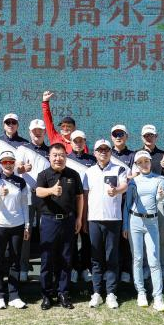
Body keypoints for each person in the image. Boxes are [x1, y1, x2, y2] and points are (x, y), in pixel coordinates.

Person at [35, 143, 84, 310]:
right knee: (47, 259)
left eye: (62, 155)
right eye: (55, 155)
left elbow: (79, 197)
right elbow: (38, 191)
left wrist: (79, 218)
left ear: (66, 157)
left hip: (68, 221)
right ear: (49, 156)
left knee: (66, 258)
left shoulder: (73, 174)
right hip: (49, 221)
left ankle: (63, 293)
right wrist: (51, 191)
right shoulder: (43, 174)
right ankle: (47, 295)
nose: (58, 158)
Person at [83, 139, 129, 309]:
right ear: (95, 153)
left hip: (113, 219)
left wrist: (117, 190)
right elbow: (85, 197)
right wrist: (84, 219)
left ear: (110, 152)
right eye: (100, 149)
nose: (103, 152)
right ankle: (96, 292)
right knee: (96, 258)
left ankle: (111, 293)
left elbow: (124, 185)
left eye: (106, 149)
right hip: (94, 219)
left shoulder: (119, 169)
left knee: (111, 257)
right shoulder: (89, 172)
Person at [123, 150, 164, 312]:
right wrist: (125, 226)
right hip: (134, 221)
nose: (144, 164)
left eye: (146, 161)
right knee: (137, 258)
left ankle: (158, 297)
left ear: (150, 162)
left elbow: (160, 198)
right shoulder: (133, 182)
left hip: (152, 222)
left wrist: (161, 196)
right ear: (136, 165)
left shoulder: (160, 179)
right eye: (140, 162)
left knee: (154, 260)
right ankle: (141, 292)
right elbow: (127, 205)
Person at [0, 150, 30, 310]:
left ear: (14, 163)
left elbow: (24, 205)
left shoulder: (21, 182)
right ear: (0, 163)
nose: (8, 164)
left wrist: (27, 225)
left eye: (11, 162)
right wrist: (0, 194)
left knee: (15, 260)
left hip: (17, 225)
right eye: (5, 162)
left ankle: (14, 295)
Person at [15, 118, 49, 282]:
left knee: (46, 233)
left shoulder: (50, 151)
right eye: (34, 131)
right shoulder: (22, 148)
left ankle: (46, 269)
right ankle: (23, 268)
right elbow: (15, 168)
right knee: (26, 233)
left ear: (44, 132)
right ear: (30, 132)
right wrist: (22, 168)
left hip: (45, 198)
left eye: (40, 131)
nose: (37, 133)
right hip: (27, 197)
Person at [140, 124, 164, 284]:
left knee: (160, 236)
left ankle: (163, 267)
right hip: (142, 202)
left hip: (159, 200)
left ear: (156, 137)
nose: (149, 138)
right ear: (142, 138)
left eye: (151, 135)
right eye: (146, 135)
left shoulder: (163, 155)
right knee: (144, 235)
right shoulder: (137, 154)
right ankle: (146, 267)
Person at [67, 130, 95, 284]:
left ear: (85, 142)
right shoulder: (66, 159)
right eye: (75, 141)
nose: (78, 143)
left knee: (86, 237)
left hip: (89, 204)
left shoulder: (92, 160)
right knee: (71, 238)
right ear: (70, 142)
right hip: (70, 205)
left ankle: (85, 268)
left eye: (81, 141)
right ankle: (72, 268)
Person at [110, 124, 135, 284]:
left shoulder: (133, 155)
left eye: (121, 134)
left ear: (126, 136)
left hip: (126, 202)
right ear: (111, 137)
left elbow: (135, 177)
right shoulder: (107, 153)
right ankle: (112, 270)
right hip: (110, 202)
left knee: (125, 236)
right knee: (112, 238)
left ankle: (126, 269)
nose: (118, 137)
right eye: (115, 134)